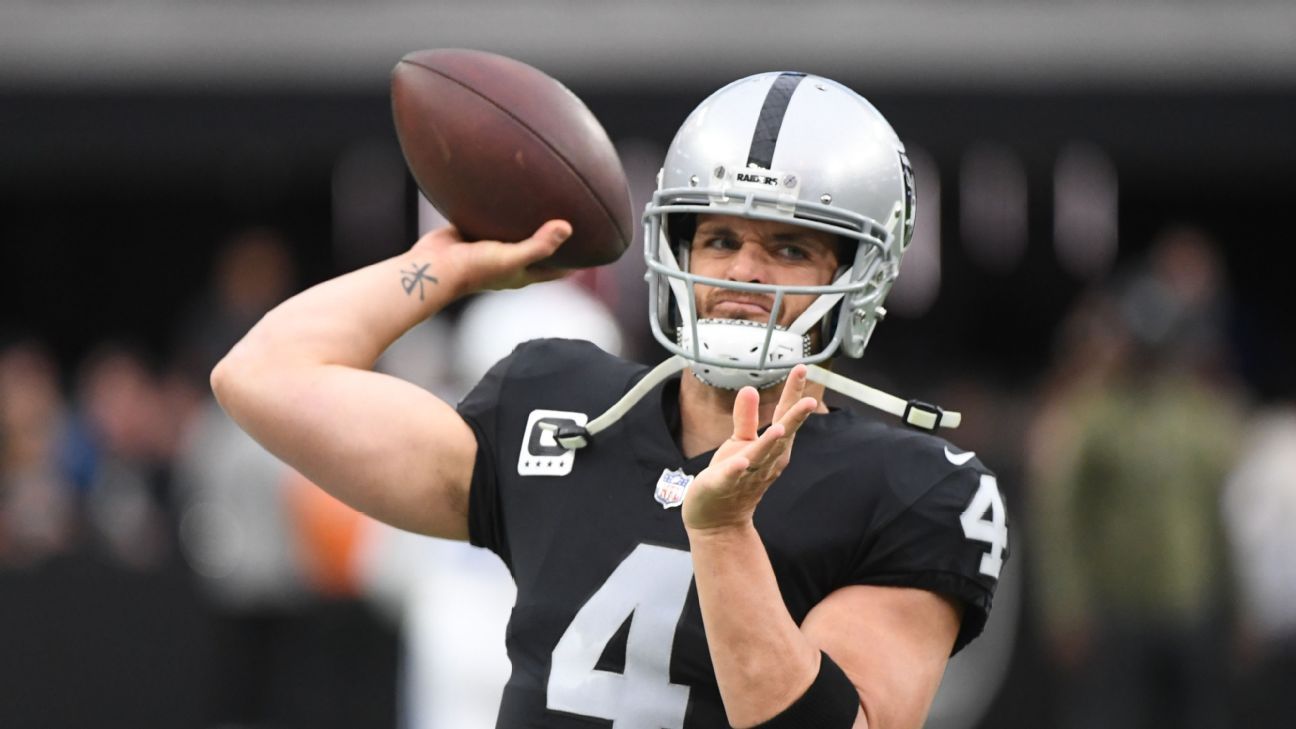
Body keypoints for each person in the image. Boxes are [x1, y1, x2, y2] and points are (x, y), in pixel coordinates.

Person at [212, 72, 1007, 729]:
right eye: (720, 239)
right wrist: (445, 269)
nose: (742, 274)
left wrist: (725, 532)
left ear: (858, 277)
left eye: (789, 247)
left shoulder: (918, 486)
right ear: (676, 248)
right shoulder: (560, 407)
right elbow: (261, 376)